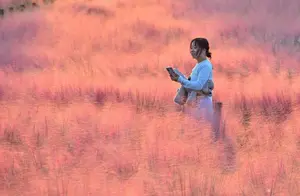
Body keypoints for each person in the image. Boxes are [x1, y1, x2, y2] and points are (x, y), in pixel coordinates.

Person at [169, 37, 214, 123]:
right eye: (191, 48)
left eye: (195, 47)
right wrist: (180, 81)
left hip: (202, 104)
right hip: (196, 103)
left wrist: (180, 79)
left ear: (204, 50)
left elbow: (198, 86)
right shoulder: (199, 65)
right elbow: (193, 84)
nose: (192, 50)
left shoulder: (205, 66)